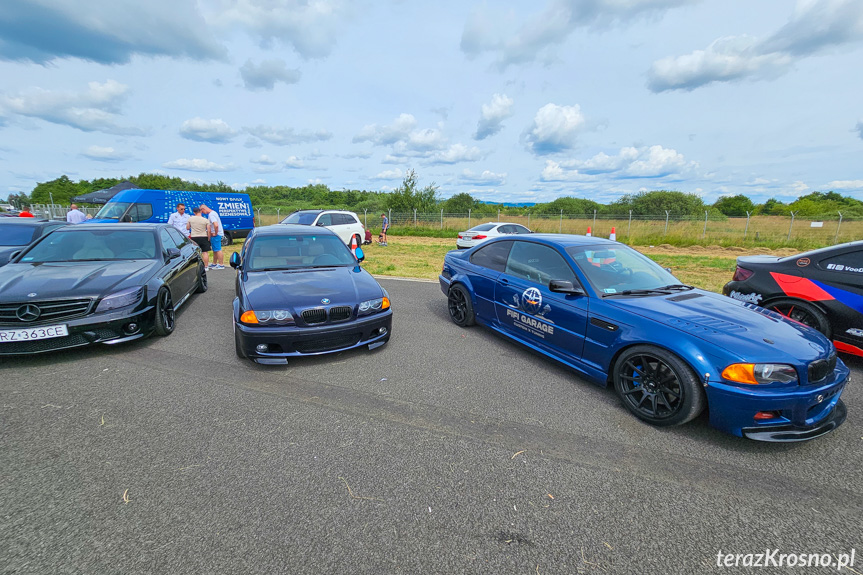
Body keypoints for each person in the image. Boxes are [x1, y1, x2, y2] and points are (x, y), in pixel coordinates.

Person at [200, 204, 225, 269]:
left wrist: (215, 233)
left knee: (218, 249)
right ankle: (214, 263)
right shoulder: (213, 213)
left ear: (203, 209)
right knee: (215, 249)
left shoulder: (211, 215)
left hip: (216, 234)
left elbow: (216, 225)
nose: (203, 213)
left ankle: (221, 264)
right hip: (216, 233)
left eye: (202, 211)